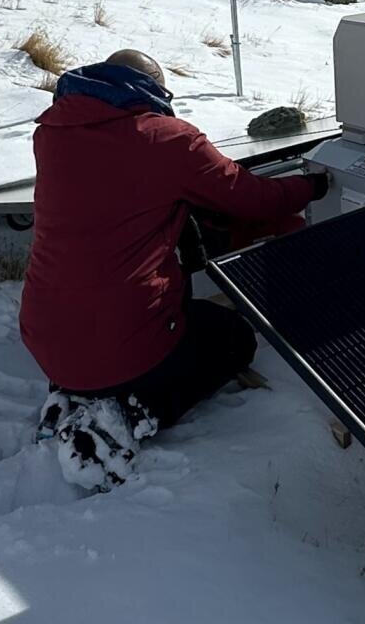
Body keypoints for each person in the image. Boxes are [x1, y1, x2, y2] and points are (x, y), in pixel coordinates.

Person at [20, 49, 327, 436]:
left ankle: (80, 391)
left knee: (172, 308)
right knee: (234, 338)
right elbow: (250, 197)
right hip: (120, 339)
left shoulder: (52, 134)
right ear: (152, 92)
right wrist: (312, 185)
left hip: (44, 338)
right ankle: (132, 417)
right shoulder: (167, 139)